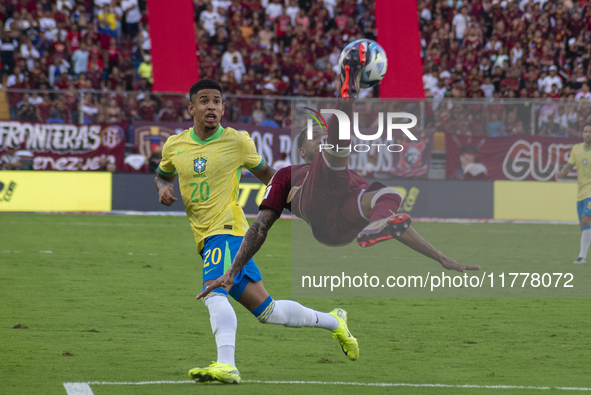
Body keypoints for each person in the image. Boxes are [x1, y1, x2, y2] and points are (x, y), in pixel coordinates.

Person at [198, 41, 479, 378]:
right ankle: (348, 91)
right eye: (312, 137)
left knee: (382, 194)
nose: (317, 138)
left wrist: (441, 258)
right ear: (301, 149)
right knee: (339, 157)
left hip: (348, 216)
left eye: (321, 134)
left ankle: (373, 229)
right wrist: (234, 269)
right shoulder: (287, 175)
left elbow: (401, 226)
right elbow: (259, 227)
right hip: (320, 215)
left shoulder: (343, 170)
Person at [155, 79, 356, 385]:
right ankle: (335, 322)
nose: (211, 106)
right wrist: (163, 188)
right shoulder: (175, 145)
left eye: (217, 101)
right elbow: (161, 175)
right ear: (191, 107)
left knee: (213, 292)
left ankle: (226, 364)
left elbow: (271, 178)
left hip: (226, 229)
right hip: (208, 234)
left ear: (223, 108)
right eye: (204, 101)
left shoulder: (237, 141)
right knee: (268, 311)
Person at [556, 123, 591, 263]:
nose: (588, 134)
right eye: (586, 131)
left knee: (585, 219)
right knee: (583, 225)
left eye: (590, 131)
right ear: (582, 134)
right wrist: (561, 173)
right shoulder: (576, 149)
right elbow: (569, 166)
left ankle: (581, 257)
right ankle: (582, 256)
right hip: (581, 193)